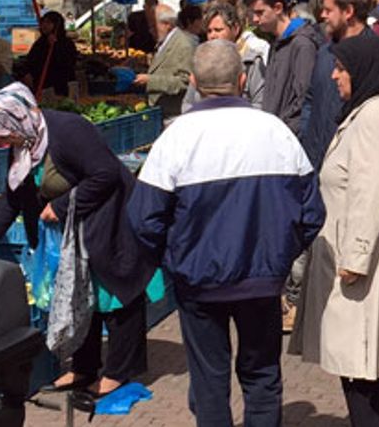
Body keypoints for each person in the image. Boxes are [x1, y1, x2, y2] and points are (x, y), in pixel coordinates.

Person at [129, 41, 323, 427]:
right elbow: (312, 213)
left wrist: (175, 259)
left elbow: (143, 219)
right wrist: (279, 257)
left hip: (200, 281)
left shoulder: (176, 138)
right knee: (262, 374)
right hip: (261, 281)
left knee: (209, 379)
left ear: (196, 84)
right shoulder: (277, 132)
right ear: (241, 79)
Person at [0, 83, 160, 398]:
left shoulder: (69, 131)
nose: (3, 142)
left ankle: (118, 371)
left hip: (107, 220)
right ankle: (83, 367)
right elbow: (14, 194)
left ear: (18, 118)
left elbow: (106, 173)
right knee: (77, 295)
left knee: (114, 295)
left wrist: (59, 206)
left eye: (4, 134)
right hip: (72, 230)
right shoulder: (26, 142)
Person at [290, 34, 379, 427]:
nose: (333, 76)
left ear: (362, 70)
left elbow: (372, 191)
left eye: (341, 68)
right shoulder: (375, 111)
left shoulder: (375, 117)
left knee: (361, 370)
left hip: (361, 266)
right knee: (378, 370)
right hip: (366, 258)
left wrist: (356, 257)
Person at [250, 0, 322, 134]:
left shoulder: (302, 45)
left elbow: (303, 98)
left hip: (287, 136)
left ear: (278, 8)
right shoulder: (276, 43)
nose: (255, 20)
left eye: (260, 12)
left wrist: (286, 130)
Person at [182, 0, 269, 111]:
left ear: (235, 29)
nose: (213, 36)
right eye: (209, 31)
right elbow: (187, 104)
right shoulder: (202, 62)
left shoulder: (251, 63)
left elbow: (260, 104)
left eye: (218, 30)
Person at [134, 4, 195, 117]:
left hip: (173, 115)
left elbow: (184, 82)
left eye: (153, 25)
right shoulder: (164, 42)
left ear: (167, 24)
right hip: (160, 113)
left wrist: (150, 80)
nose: (150, 30)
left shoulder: (183, 45)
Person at [22, 11, 78, 97]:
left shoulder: (66, 43)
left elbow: (67, 63)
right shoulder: (40, 42)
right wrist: (27, 73)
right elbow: (31, 60)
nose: (44, 25)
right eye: (43, 22)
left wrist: (55, 46)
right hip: (42, 86)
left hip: (62, 86)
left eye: (48, 22)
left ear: (56, 25)